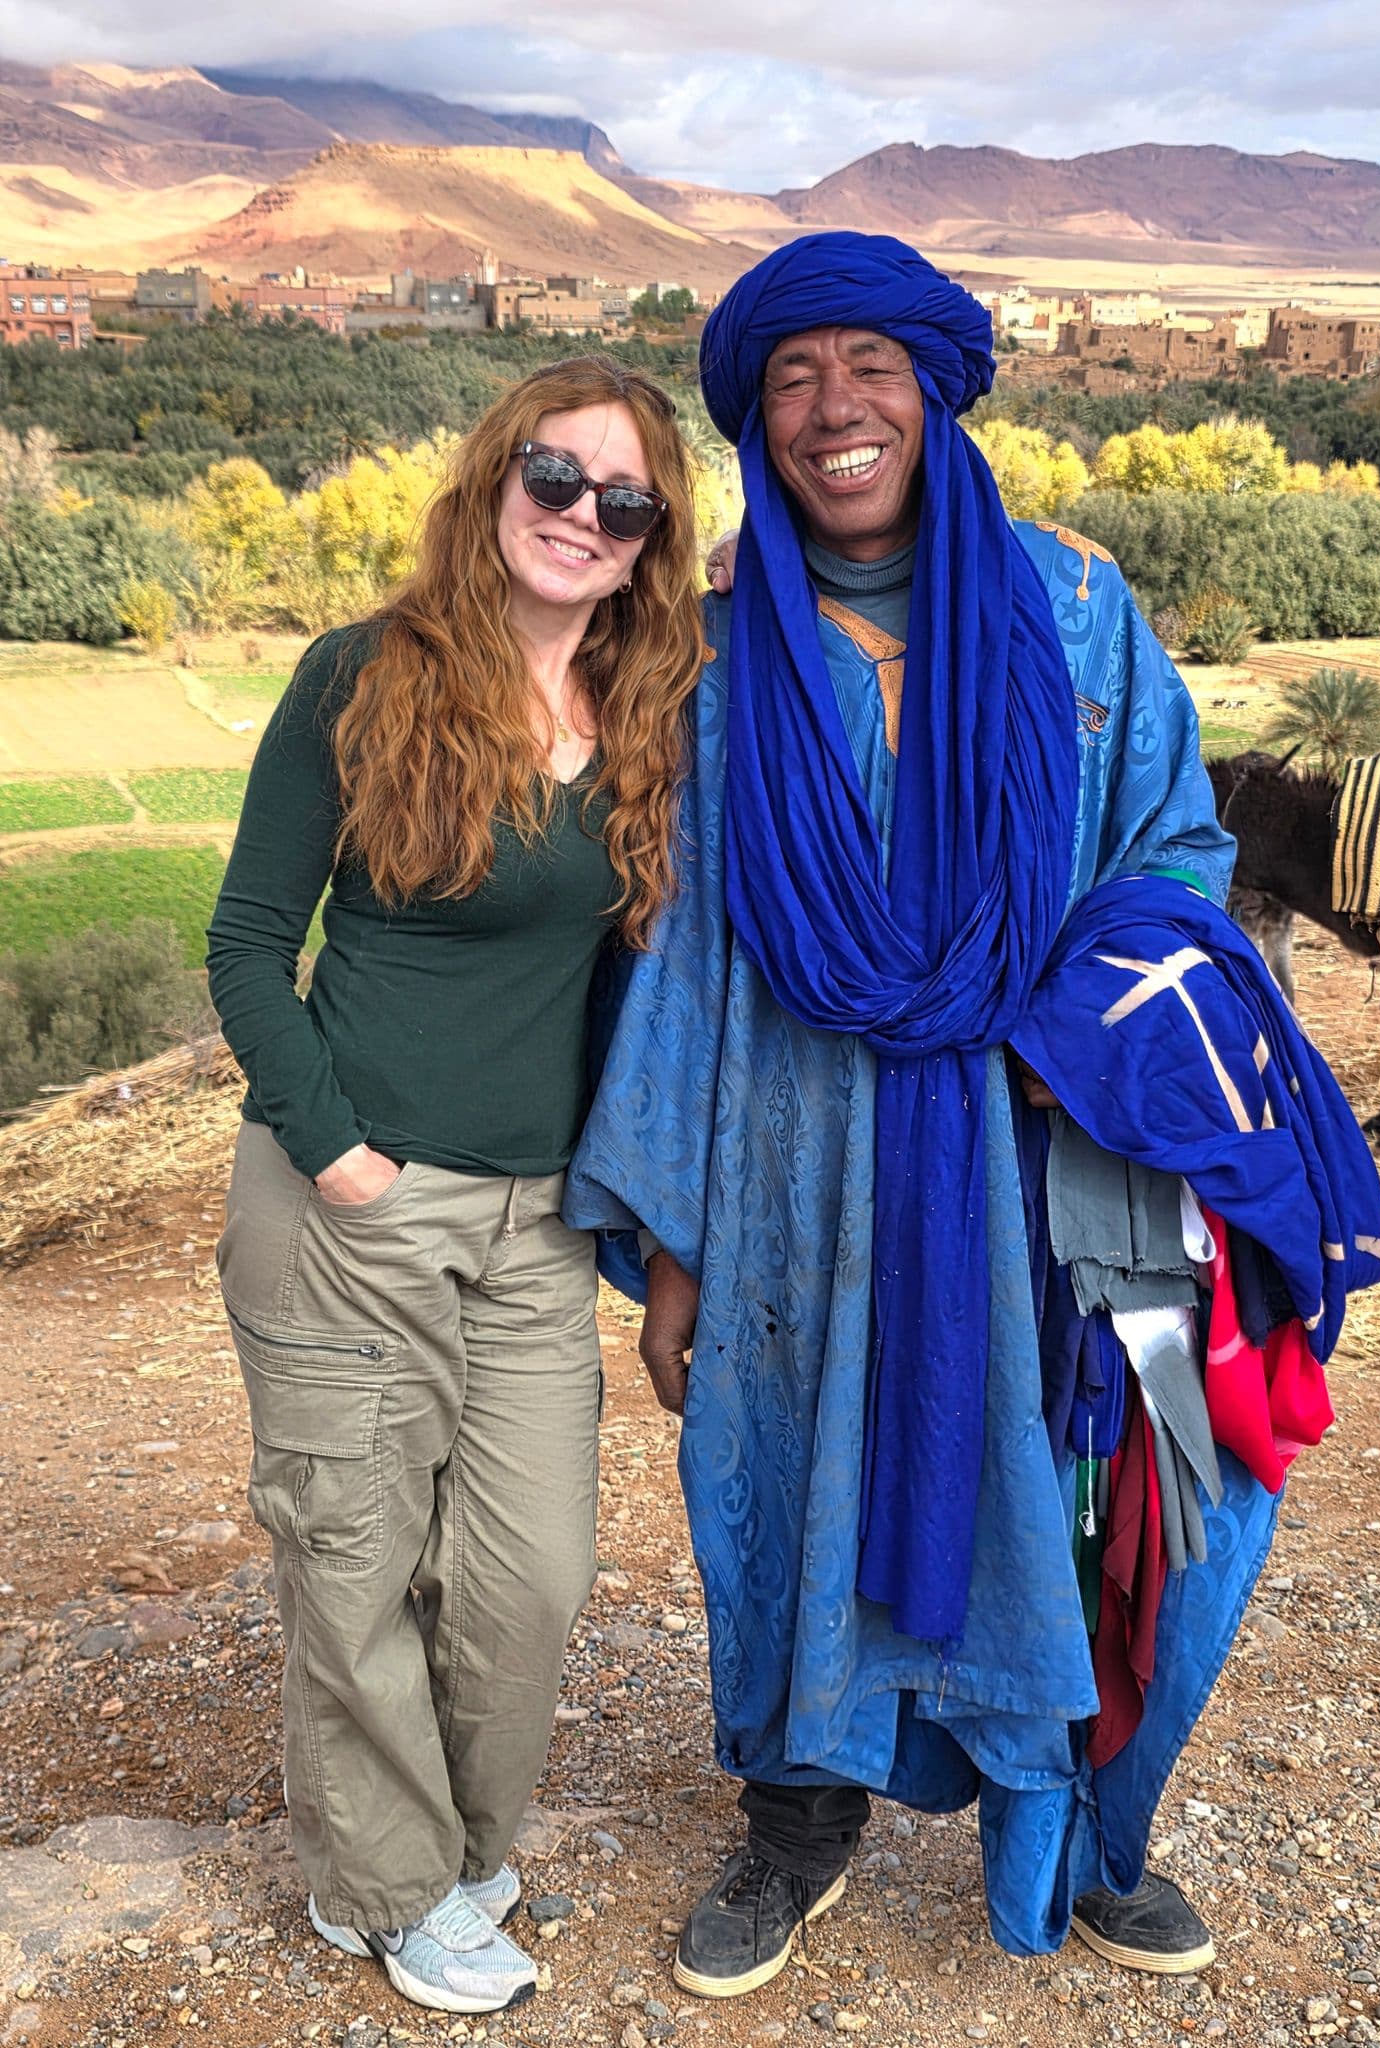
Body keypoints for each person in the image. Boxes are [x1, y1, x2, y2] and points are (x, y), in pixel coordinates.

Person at [565, 234, 1380, 1997]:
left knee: (1087, 1489)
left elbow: (1174, 853)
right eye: (794, 377)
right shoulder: (714, 656)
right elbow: (688, 949)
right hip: (790, 1160)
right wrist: (679, 1244)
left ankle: (1077, 1839)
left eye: (870, 366)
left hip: (1040, 1145)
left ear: (935, 392)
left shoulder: (1073, 610)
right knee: (780, 1473)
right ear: (756, 422)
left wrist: (1058, 1032)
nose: (834, 408)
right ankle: (798, 1822)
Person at [206, 357, 704, 2016]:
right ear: (495, 479)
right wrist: (334, 1147)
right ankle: (389, 1891)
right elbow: (249, 942)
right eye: (555, 478)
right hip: (354, 1202)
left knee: (527, 1577)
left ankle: (454, 1851)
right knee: (353, 1561)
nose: (582, 516)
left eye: (623, 501)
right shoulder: (365, 676)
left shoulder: (646, 715)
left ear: (651, 542)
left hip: (537, 1220)